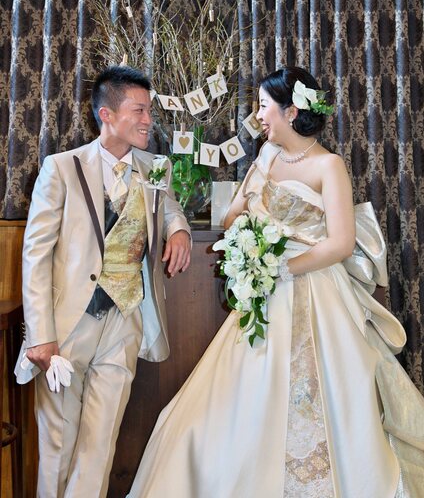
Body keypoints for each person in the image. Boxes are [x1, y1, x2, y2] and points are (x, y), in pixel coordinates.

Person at [127, 66, 424, 498]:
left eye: (265, 106)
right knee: (221, 407)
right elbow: (232, 220)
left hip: (316, 291)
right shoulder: (265, 157)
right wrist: (247, 225)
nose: (259, 115)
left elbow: (341, 243)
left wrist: (285, 267)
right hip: (263, 291)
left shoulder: (329, 166)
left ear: (291, 111)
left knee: (328, 400)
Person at [14, 65, 191, 498]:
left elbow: (169, 208)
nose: (149, 119)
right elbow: (36, 254)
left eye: (149, 110)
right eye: (139, 110)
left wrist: (180, 231)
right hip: (67, 325)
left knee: (100, 443)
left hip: (125, 319)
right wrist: (40, 335)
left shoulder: (155, 168)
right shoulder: (61, 168)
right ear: (106, 115)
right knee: (58, 443)